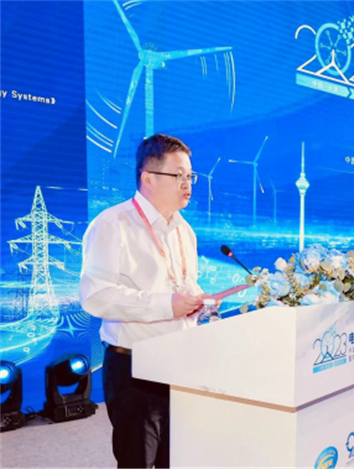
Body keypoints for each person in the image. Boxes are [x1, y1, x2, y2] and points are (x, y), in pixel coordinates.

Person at [80, 134, 209, 469]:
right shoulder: (112, 224)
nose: (187, 184)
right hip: (134, 367)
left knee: (176, 459)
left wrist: (200, 301)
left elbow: (181, 283)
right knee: (137, 460)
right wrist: (167, 305)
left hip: (181, 363)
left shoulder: (184, 230)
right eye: (178, 175)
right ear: (148, 178)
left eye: (190, 176)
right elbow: (96, 296)